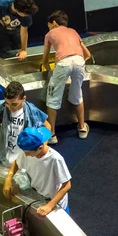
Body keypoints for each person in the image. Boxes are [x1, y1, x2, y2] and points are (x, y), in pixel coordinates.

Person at [42, 10, 91, 144]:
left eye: (49, 25)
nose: (49, 28)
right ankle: (82, 128)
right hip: (79, 61)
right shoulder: (73, 31)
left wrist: (50, 71)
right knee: (77, 94)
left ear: (54, 23)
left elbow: (45, 60)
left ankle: (51, 134)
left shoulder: (50, 34)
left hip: (63, 64)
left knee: (53, 99)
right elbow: (87, 54)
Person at [3, 126, 72, 215]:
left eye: (28, 153)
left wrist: (50, 206)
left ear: (40, 148)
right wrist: (8, 178)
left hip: (55, 201)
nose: (25, 155)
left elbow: (67, 185)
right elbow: (16, 162)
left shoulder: (55, 159)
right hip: (39, 194)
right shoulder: (28, 152)